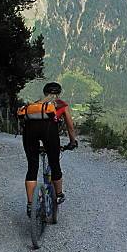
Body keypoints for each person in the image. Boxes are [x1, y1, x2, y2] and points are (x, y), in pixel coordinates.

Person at [20, 82, 77, 217]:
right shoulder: (61, 105)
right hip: (49, 132)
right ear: (58, 93)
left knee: (32, 167)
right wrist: (72, 142)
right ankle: (58, 195)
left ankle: (30, 205)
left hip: (29, 133)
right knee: (54, 163)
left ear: (45, 93)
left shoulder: (36, 105)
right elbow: (70, 126)